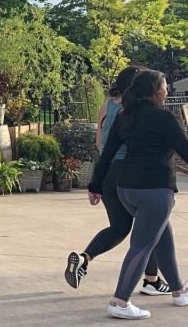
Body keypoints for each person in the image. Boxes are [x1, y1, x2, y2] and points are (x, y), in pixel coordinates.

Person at [87, 70, 188, 319]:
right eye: (165, 86)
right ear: (156, 91)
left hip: (126, 190)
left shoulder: (126, 116)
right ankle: (120, 302)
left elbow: (106, 153)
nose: (167, 90)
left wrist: (96, 185)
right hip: (154, 191)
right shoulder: (165, 118)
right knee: (142, 246)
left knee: (163, 236)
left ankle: (178, 290)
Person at [66, 65, 170, 294]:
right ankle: (151, 280)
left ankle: (85, 258)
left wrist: (97, 181)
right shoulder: (135, 108)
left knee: (119, 227)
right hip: (131, 170)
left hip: (108, 171)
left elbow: (99, 143)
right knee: (152, 225)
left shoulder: (107, 104)